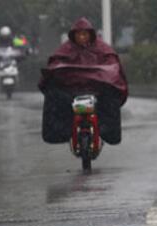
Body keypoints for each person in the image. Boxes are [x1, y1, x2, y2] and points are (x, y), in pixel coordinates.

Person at [39, 17, 128, 145]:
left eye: (84, 34)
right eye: (78, 34)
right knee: (52, 94)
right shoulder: (65, 50)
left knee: (112, 94)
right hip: (71, 93)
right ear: (73, 35)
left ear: (90, 35)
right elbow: (55, 67)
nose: (81, 37)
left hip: (98, 92)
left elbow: (113, 69)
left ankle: (108, 132)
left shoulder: (103, 49)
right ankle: (60, 132)